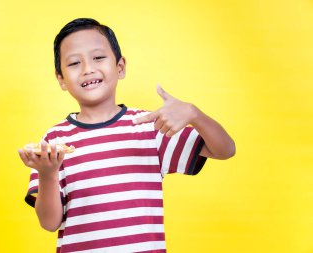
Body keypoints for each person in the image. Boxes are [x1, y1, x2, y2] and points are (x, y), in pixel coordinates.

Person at [18, 18, 235, 253]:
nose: (87, 68)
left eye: (98, 57)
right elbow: (49, 223)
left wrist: (195, 115)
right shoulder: (55, 141)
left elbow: (225, 150)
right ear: (60, 79)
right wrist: (47, 173)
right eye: (74, 63)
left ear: (120, 67)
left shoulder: (149, 128)